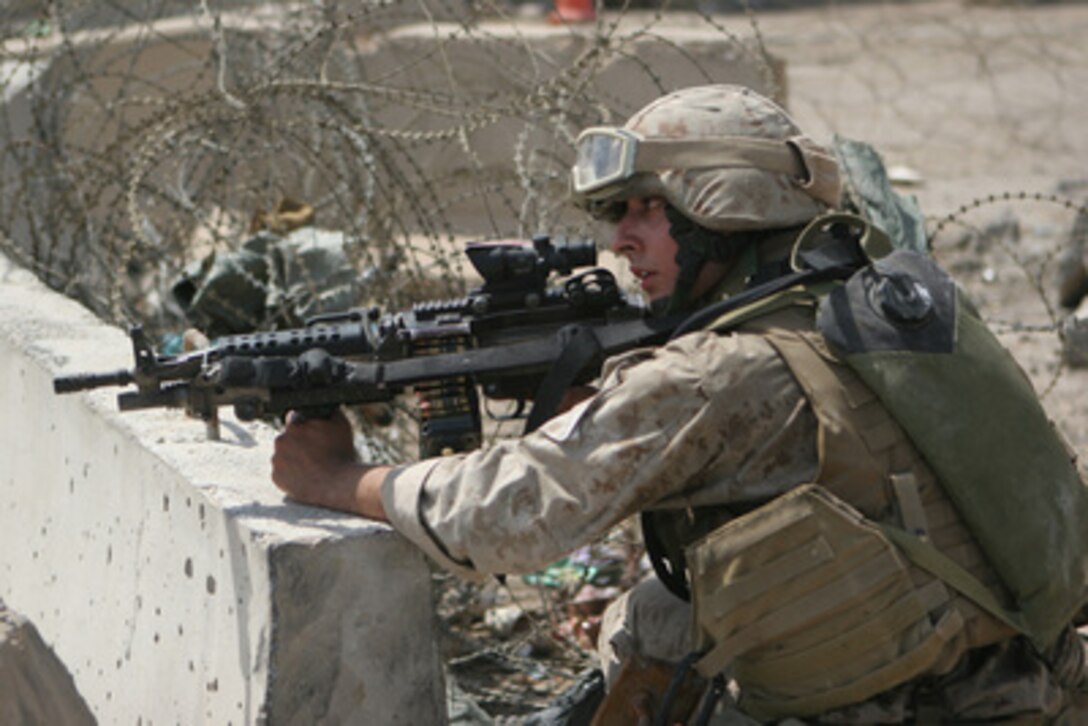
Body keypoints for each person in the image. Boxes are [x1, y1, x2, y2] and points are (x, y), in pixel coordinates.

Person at [272, 85, 1087, 723]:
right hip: (1021, 678)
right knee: (666, 608)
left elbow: (506, 519)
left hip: (903, 705)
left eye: (644, 208)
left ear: (720, 204)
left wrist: (341, 478)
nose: (621, 239)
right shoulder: (881, 306)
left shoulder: (714, 374)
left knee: (647, 626)